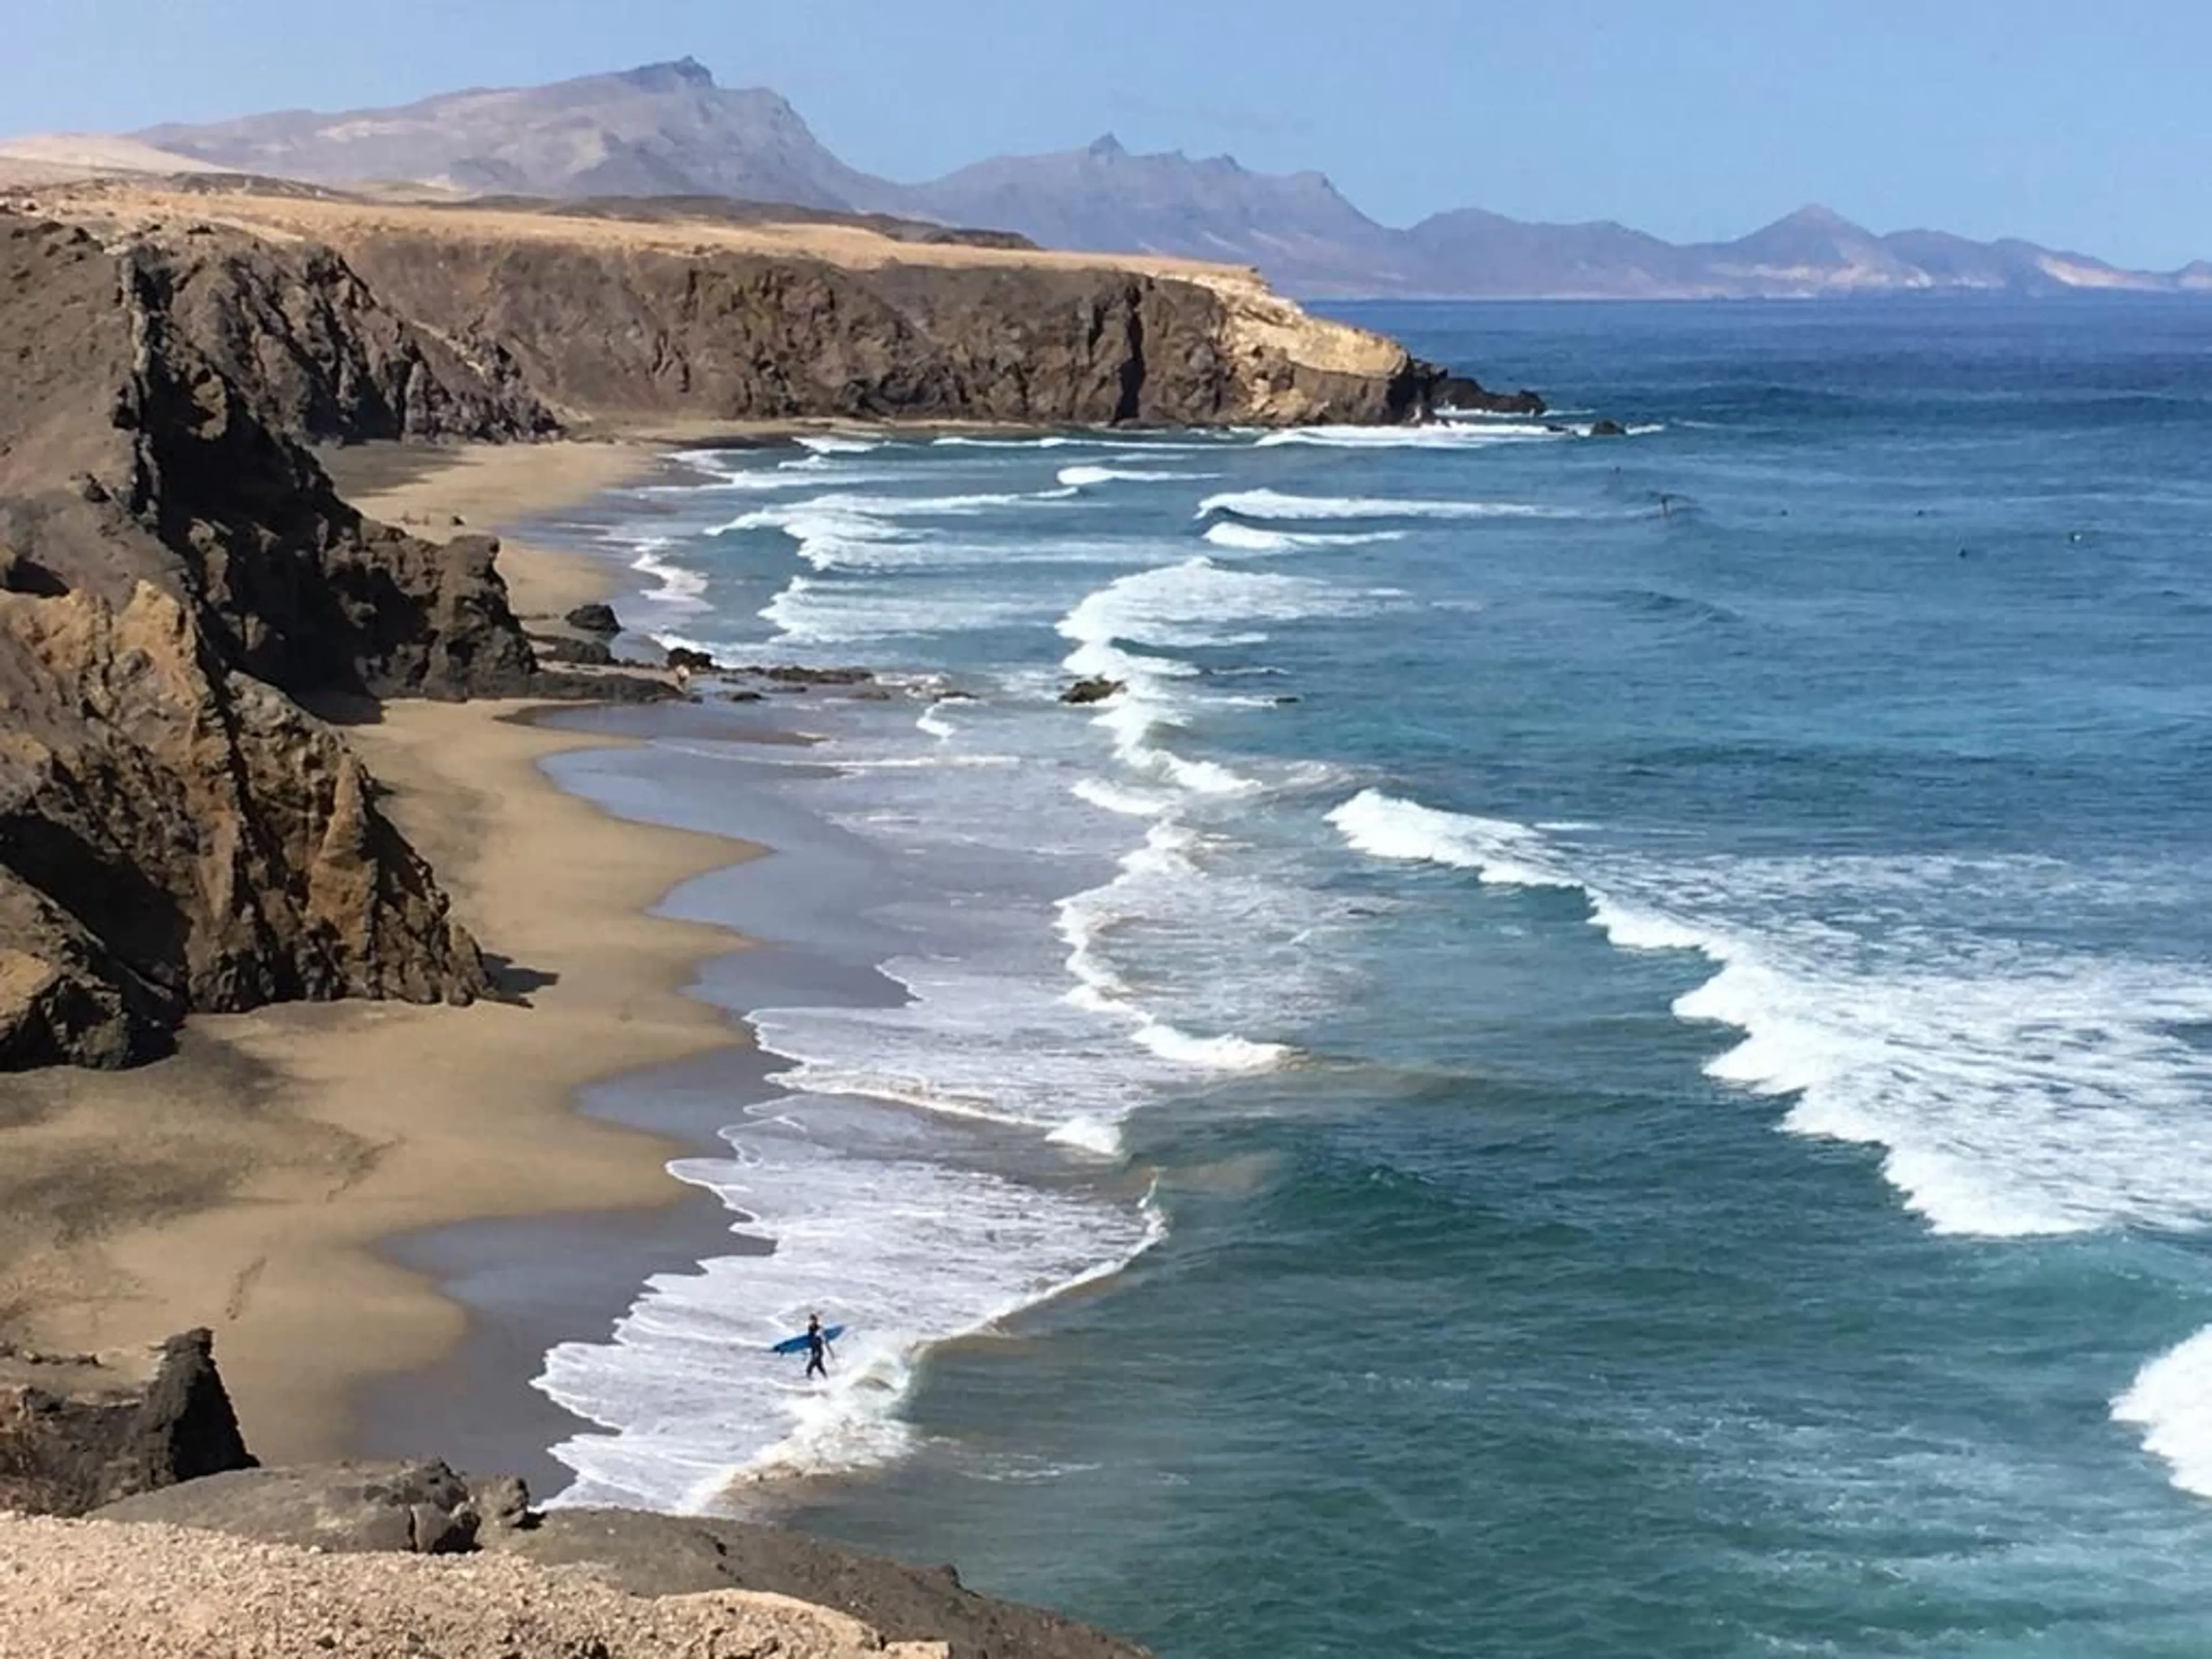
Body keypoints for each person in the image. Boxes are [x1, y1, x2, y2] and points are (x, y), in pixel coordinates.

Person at [804, 1312, 833, 1381]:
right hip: (814, 1352)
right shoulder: (810, 1327)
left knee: (809, 1369)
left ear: (816, 1321)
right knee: (820, 1367)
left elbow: (825, 1340)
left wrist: (831, 1352)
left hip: (818, 1353)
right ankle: (828, 1381)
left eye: (813, 1320)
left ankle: (813, 1383)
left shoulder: (819, 1328)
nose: (811, 1322)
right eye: (811, 1320)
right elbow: (810, 1339)